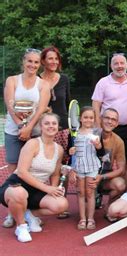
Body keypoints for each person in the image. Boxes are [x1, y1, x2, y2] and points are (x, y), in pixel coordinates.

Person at [0, 113, 68, 242]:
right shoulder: (32, 144)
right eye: (47, 123)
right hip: (16, 185)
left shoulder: (59, 149)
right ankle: (21, 226)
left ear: (58, 126)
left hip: (36, 190)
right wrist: (47, 189)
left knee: (61, 204)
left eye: (54, 123)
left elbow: (55, 173)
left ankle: (29, 214)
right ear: (41, 127)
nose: (51, 126)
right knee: (18, 193)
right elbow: (22, 173)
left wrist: (54, 189)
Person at [3, 48, 50, 228]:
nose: (32, 65)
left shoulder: (43, 84)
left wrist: (29, 128)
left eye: (36, 62)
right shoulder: (12, 80)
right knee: (14, 174)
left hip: (35, 133)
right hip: (13, 132)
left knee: (30, 173)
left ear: (40, 64)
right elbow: (9, 105)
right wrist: (21, 127)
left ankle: (27, 211)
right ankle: (11, 213)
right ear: (23, 62)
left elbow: (41, 109)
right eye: (29, 61)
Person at [91, 53, 127, 162]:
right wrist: (97, 125)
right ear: (111, 66)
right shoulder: (103, 82)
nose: (119, 66)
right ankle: (105, 179)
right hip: (107, 129)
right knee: (104, 161)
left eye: (122, 63)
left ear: (126, 65)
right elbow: (96, 104)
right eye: (116, 63)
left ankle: (124, 180)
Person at [40, 46, 72, 219]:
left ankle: (61, 200)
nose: (53, 62)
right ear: (43, 61)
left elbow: (67, 103)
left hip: (62, 130)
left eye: (56, 59)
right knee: (42, 165)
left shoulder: (64, 79)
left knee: (62, 167)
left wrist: (68, 126)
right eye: (49, 58)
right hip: (43, 130)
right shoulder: (37, 80)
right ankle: (40, 200)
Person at [88, 108, 127, 222]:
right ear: (101, 119)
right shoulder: (90, 135)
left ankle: (108, 207)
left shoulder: (118, 141)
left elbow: (121, 169)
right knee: (88, 198)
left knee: (120, 184)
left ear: (116, 123)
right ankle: (88, 212)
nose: (110, 121)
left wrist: (102, 177)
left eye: (113, 119)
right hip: (88, 176)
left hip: (104, 178)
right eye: (107, 118)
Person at [68, 106, 103, 230]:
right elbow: (70, 151)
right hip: (79, 167)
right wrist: (70, 151)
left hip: (92, 166)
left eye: (91, 117)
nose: (88, 120)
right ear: (80, 119)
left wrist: (98, 145)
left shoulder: (97, 132)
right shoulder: (74, 132)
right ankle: (82, 218)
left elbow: (101, 151)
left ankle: (91, 218)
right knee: (81, 192)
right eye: (86, 117)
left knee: (90, 192)